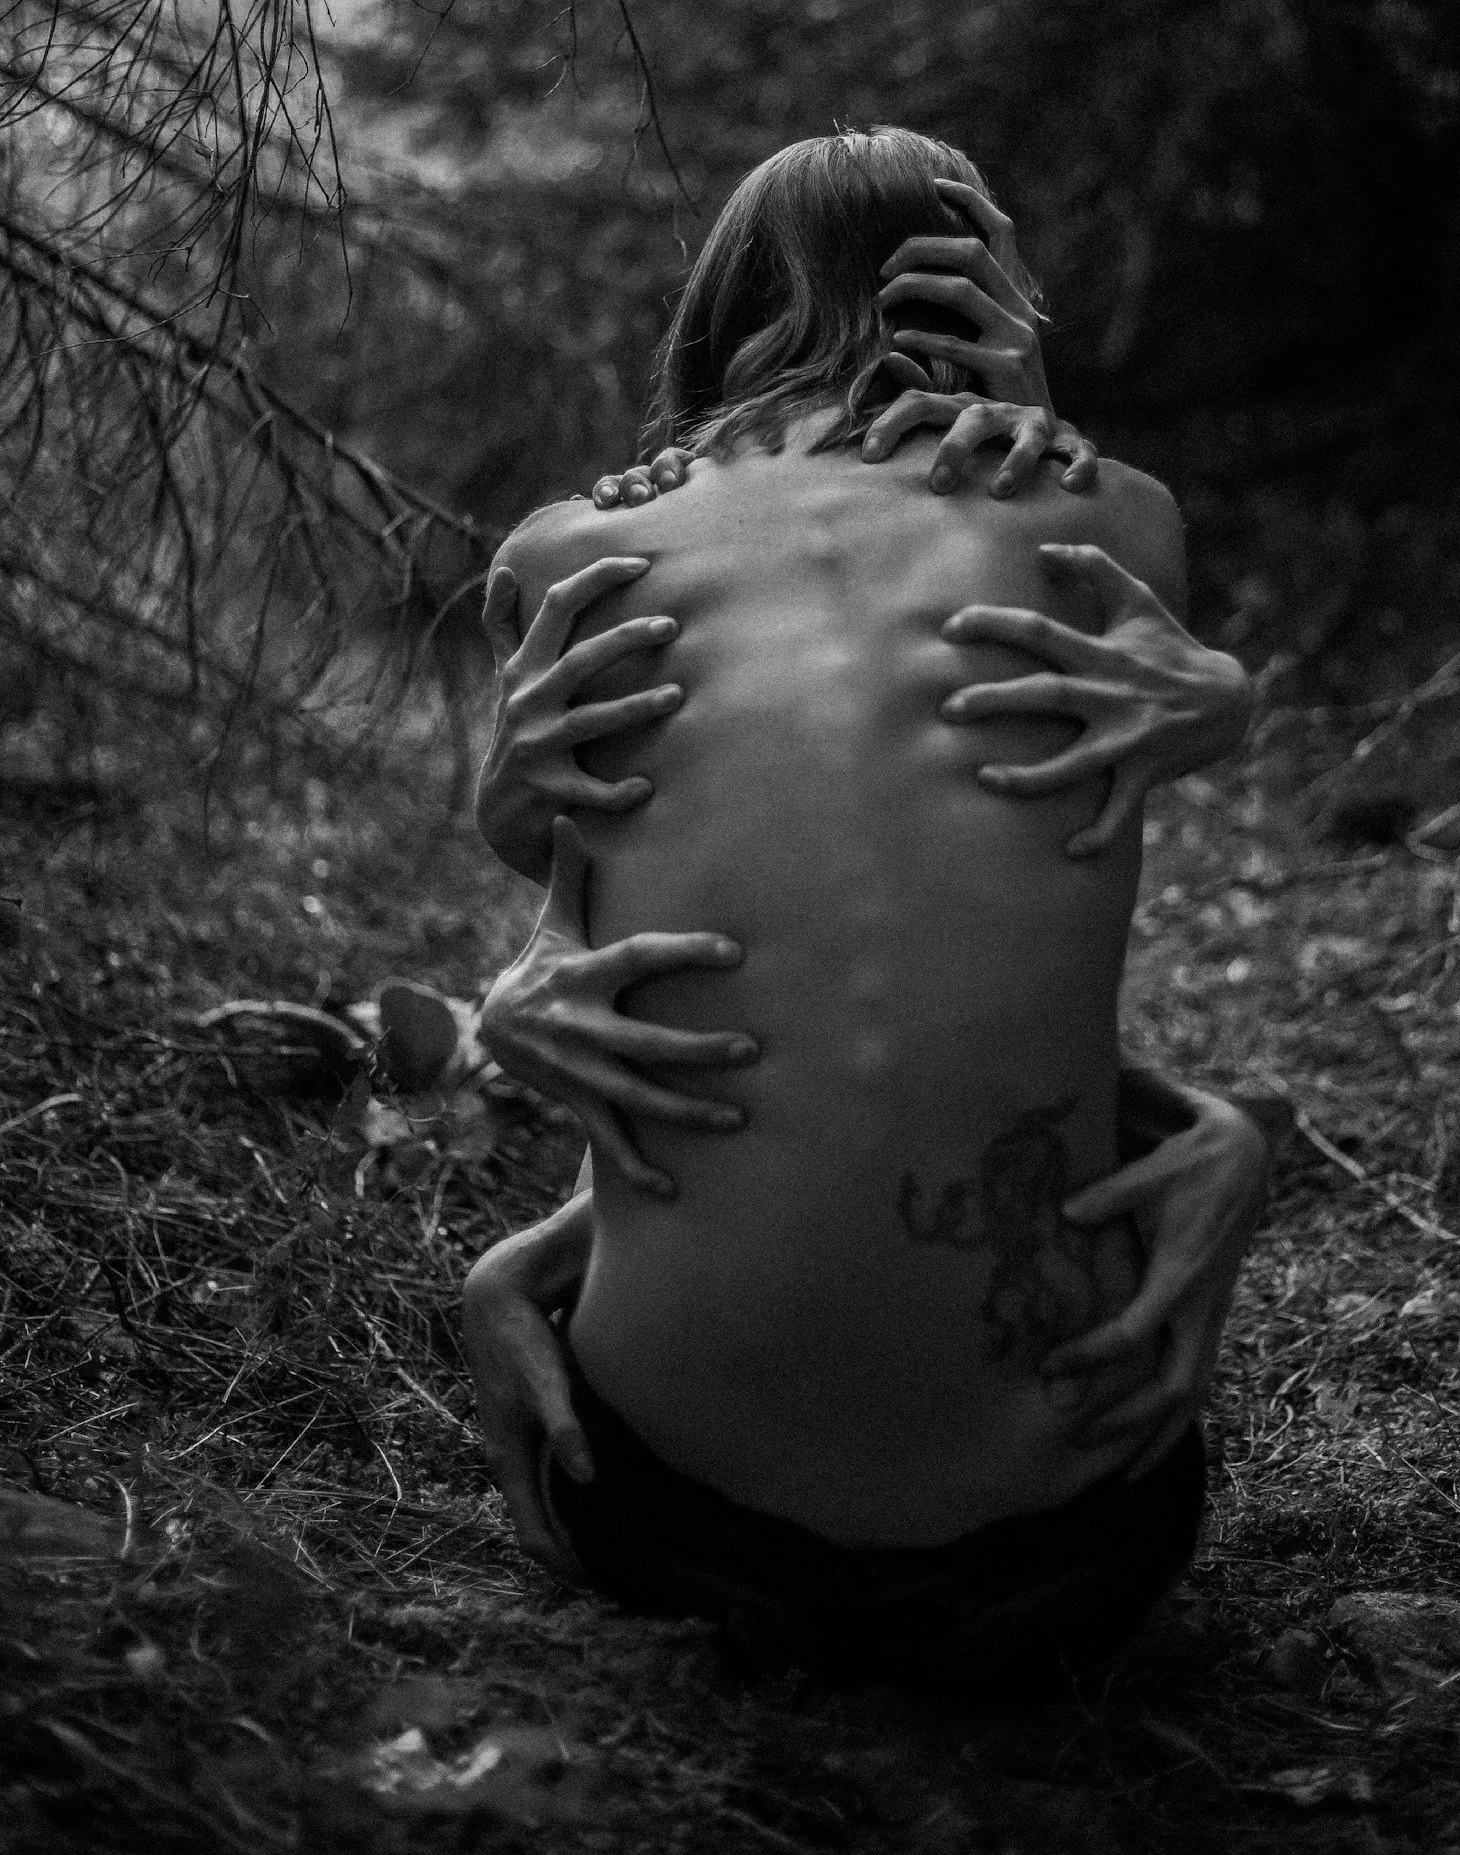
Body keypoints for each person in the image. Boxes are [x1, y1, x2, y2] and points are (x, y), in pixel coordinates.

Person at [462, 129, 1268, 1686]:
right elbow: (923, 971)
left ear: (719, 307)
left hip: (658, 1502)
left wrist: (518, 1262)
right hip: (1078, 1531)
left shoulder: (572, 554)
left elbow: (760, 972)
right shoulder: (1118, 526)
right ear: (996, 293)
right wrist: (1046, 422)